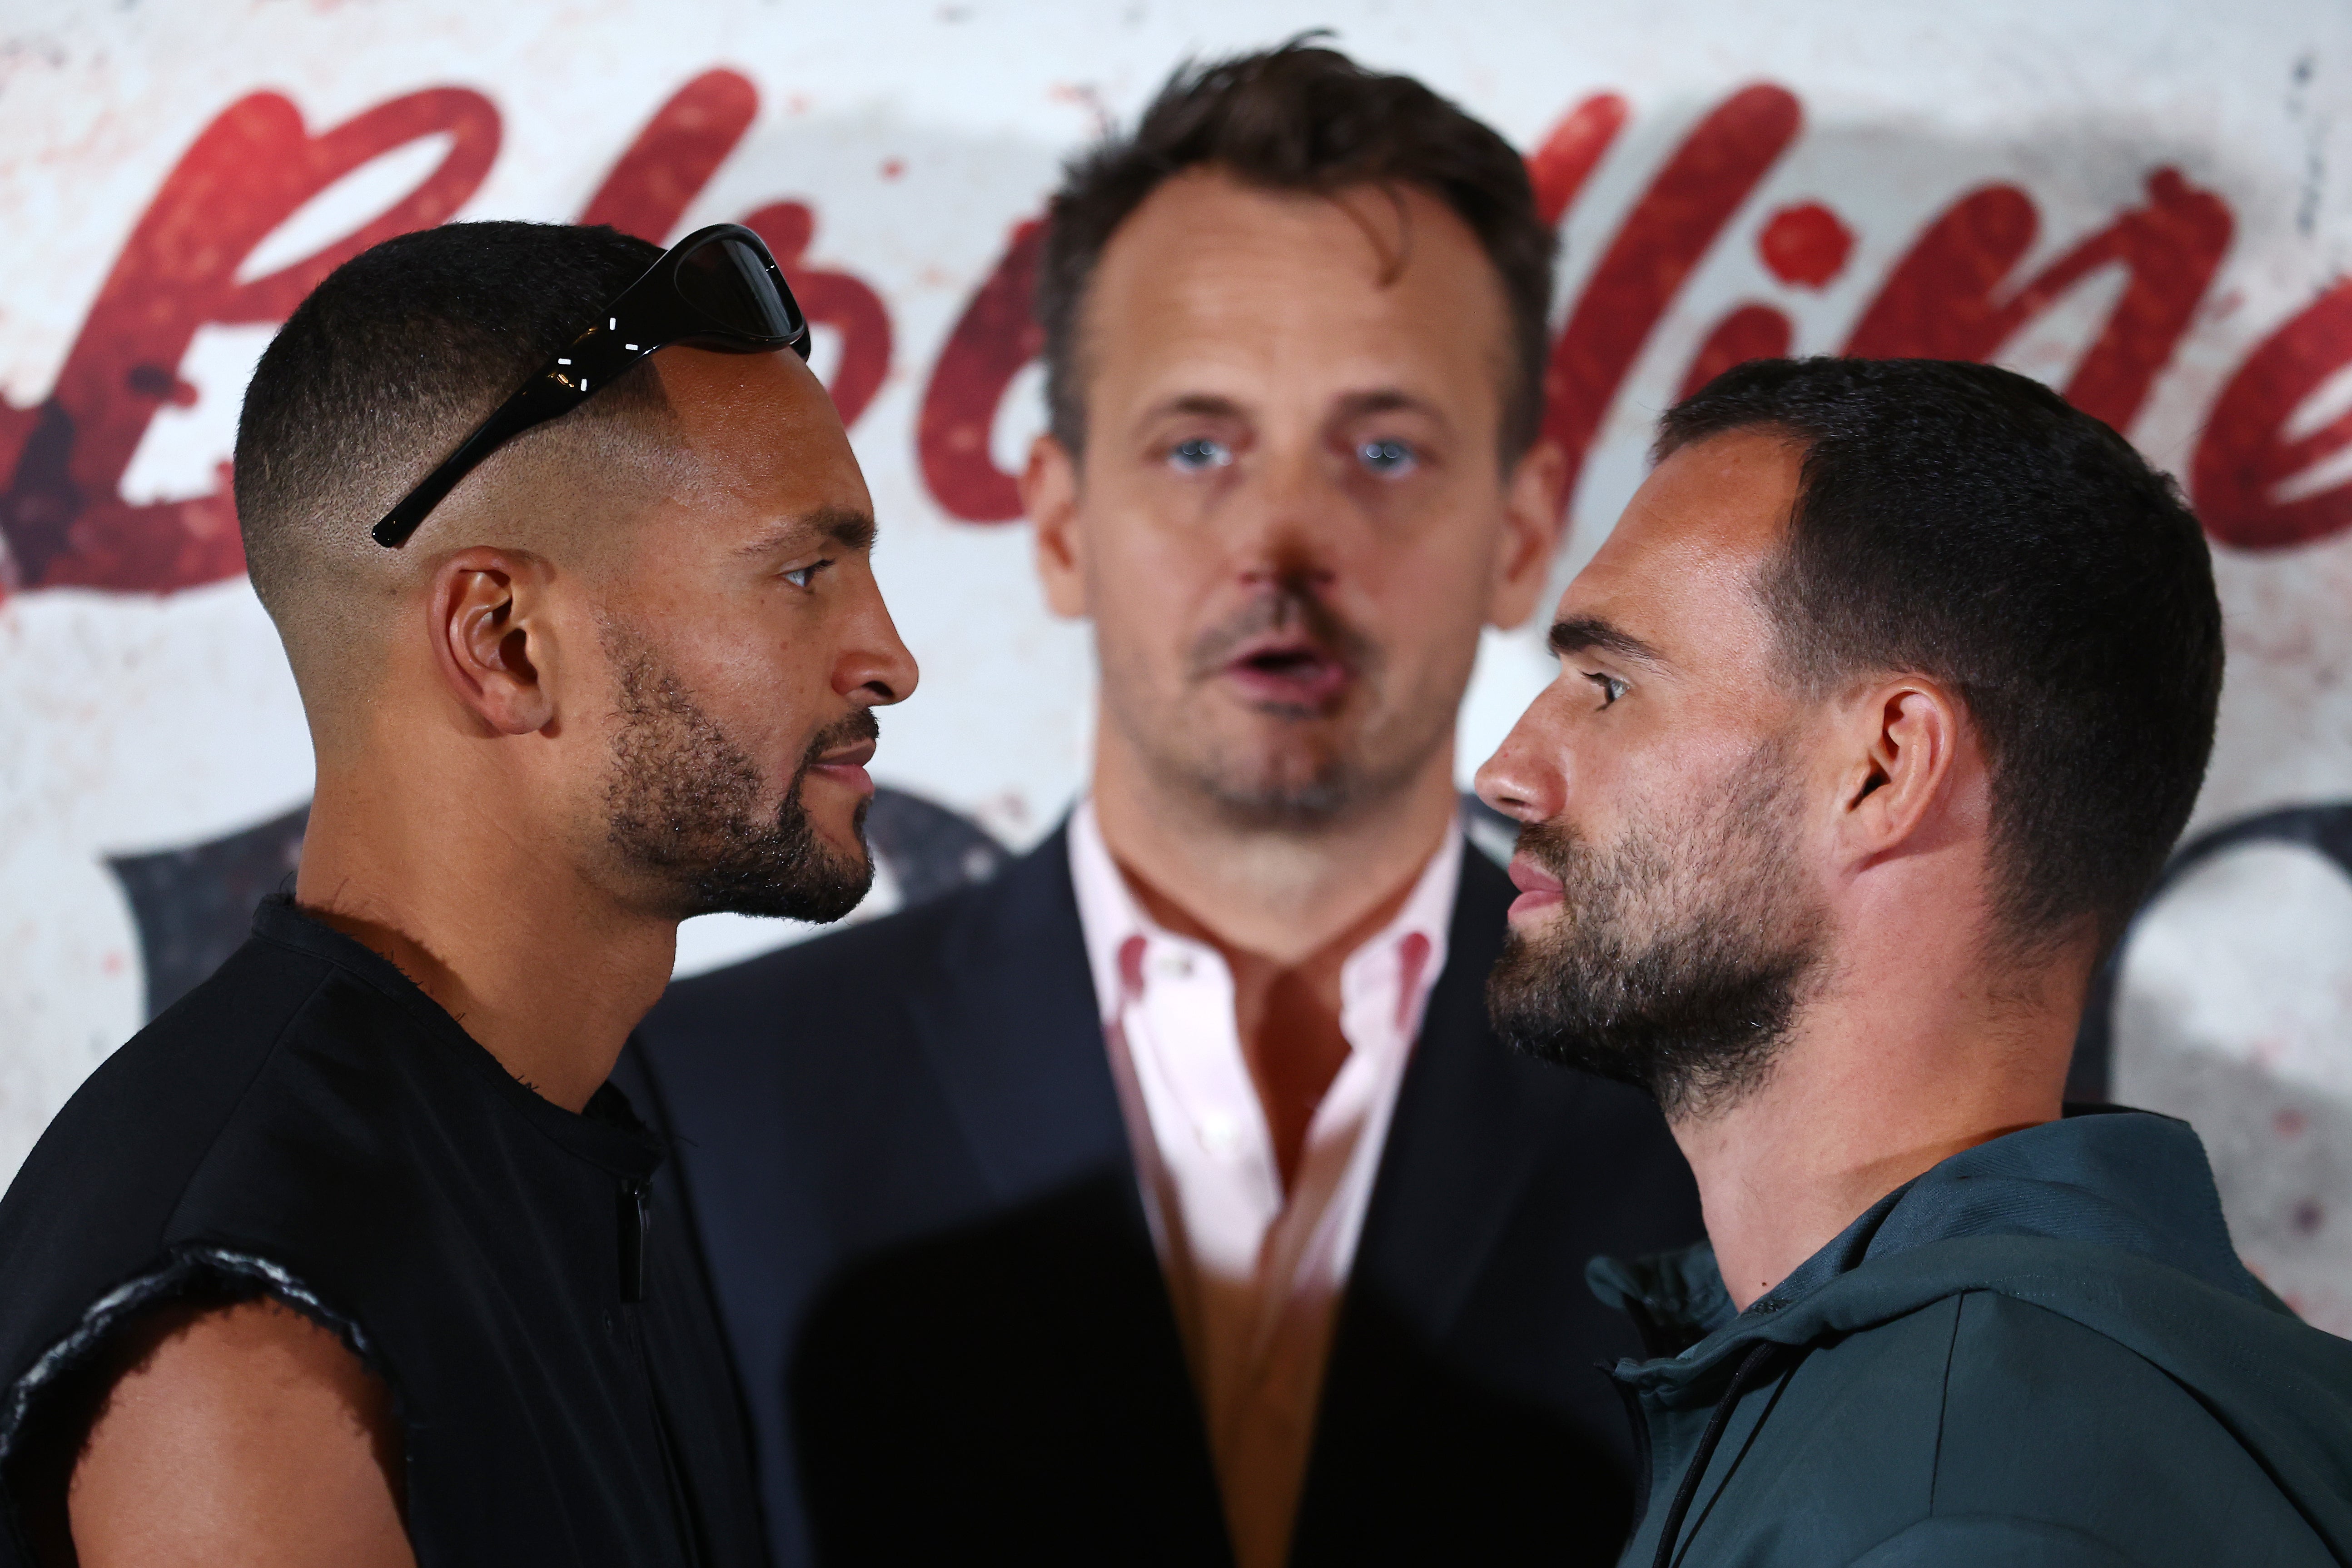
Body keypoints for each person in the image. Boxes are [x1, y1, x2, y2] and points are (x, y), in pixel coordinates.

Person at [623, 40, 1702, 1568]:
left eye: (1382, 450)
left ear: (1522, 536)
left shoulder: (1720, 1095)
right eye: (1197, 446)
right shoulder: (706, 1108)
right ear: (1060, 522)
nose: (1279, 543)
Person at [0, 219, 917, 1566]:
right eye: (802, 572)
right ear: (503, 641)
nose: (888, 657)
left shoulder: (554, 1148)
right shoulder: (246, 1340)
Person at [1477, 355, 2352, 1568]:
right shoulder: (2060, 1396)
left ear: (1886, 767)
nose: (1508, 771)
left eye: (1610, 684)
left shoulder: (1959, 1498)